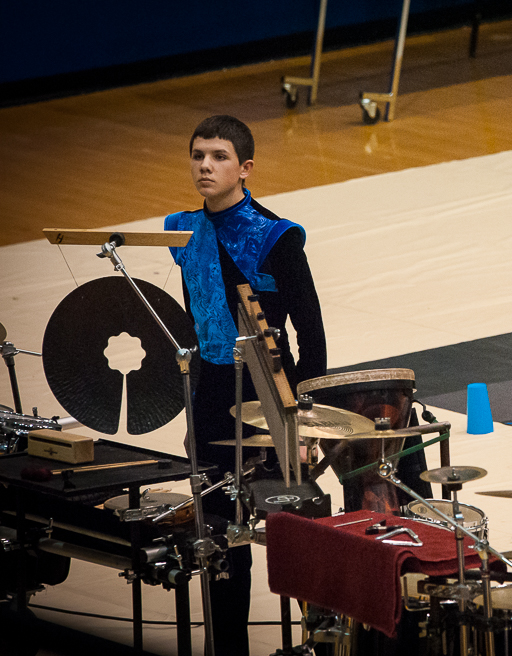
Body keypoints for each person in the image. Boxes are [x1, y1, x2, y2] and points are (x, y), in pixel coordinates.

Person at [165, 115, 327, 655]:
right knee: (218, 533)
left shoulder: (274, 235)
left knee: (293, 526)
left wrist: (300, 412)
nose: (205, 166)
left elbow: (313, 332)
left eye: (218, 157)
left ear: (245, 168)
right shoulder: (184, 232)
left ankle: (323, 641)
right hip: (211, 394)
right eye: (197, 156)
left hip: (268, 391)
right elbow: (195, 324)